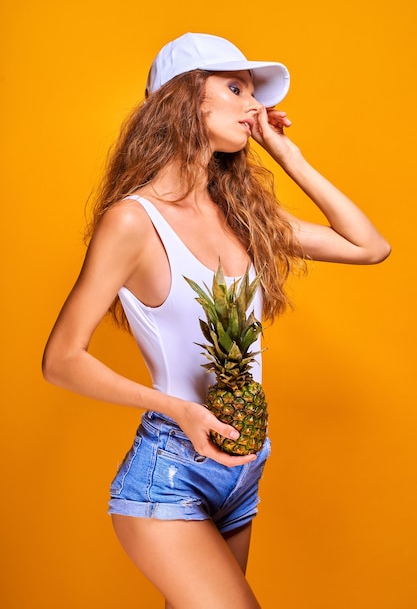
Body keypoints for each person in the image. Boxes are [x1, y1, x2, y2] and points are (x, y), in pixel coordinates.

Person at [42, 32, 390, 608]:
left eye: (252, 93)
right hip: (169, 474)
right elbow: (61, 360)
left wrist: (289, 155)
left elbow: (368, 246)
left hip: (243, 467)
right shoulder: (133, 221)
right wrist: (181, 410)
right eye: (234, 88)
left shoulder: (243, 213)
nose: (254, 106)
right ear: (184, 100)